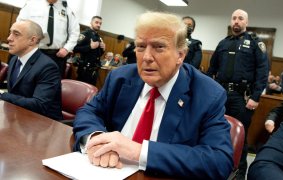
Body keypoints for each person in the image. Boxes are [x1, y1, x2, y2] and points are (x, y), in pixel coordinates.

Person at [72, 11, 233, 179]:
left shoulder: (208, 94)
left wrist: (139, 151)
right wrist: (97, 139)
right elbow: (89, 111)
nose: (147, 57)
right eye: (141, 46)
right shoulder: (120, 77)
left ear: (180, 55)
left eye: (159, 47)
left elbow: (219, 160)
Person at [206, 9, 269, 179]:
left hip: (243, 98)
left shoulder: (255, 43)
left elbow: (263, 71)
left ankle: (239, 172)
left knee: (240, 134)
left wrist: (255, 97)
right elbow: (212, 70)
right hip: (221, 95)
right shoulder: (223, 43)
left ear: (246, 23)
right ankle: (216, 164)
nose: (236, 21)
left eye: (240, 18)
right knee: (216, 130)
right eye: (234, 18)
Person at [0, 20, 62, 120]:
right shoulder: (14, 59)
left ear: (32, 40)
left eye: (16, 34)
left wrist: (3, 95)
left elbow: (39, 104)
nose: (9, 38)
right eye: (10, 33)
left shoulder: (48, 66)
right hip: (18, 115)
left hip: (43, 123)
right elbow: (15, 87)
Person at [16, 0, 80, 77]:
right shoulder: (31, 5)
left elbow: (75, 32)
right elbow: (19, 26)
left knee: (52, 85)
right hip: (32, 52)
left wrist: (66, 49)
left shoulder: (67, 10)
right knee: (27, 82)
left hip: (56, 56)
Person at [73, 16, 105, 85]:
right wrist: (90, 47)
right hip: (85, 69)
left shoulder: (98, 37)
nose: (99, 25)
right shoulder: (85, 34)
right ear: (91, 22)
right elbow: (74, 48)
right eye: (96, 22)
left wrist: (103, 49)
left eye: (100, 23)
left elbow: (97, 54)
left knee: (91, 92)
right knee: (81, 91)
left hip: (95, 69)